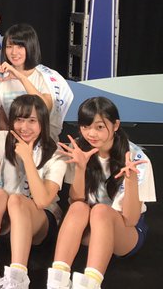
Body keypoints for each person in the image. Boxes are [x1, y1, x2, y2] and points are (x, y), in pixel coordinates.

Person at [47, 97, 156, 289]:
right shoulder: (78, 149)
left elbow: (130, 219)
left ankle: (89, 284)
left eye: (99, 127)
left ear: (115, 125)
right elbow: (76, 200)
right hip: (88, 227)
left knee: (100, 211)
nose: (91, 133)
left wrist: (131, 181)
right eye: (85, 126)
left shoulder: (136, 158)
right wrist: (81, 167)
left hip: (125, 231)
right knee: (78, 207)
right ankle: (57, 281)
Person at [0, 95, 67, 289]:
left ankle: (17, 277)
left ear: (43, 123)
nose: (24, 127)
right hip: (4, 215)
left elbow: (42, 201)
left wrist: (28, 159)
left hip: (40, 221)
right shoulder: (1, 138)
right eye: (19, 120)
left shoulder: (56, 153)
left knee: (16, 200)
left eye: (32, 121)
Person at [0, 24, 73, 140]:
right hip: (13, 143)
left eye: (20, 46)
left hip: (43, 143)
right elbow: (3, 123)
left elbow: (45, 108)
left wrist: (20, 76)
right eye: (9, 46)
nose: (14, 52)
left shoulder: (45, 76)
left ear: (30, 47)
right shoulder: (2, 79)